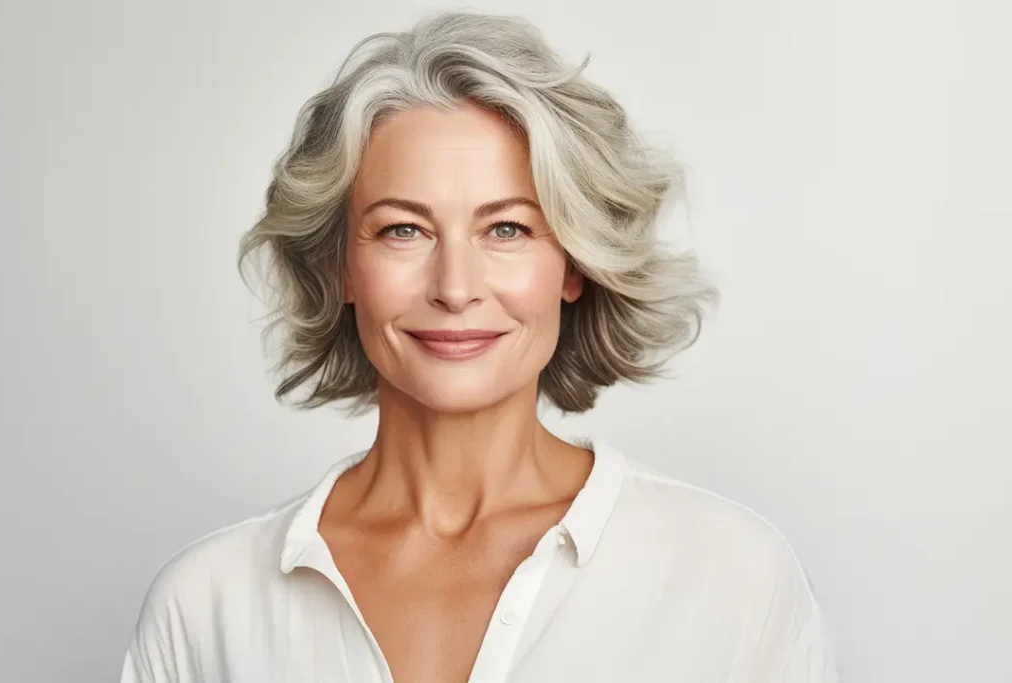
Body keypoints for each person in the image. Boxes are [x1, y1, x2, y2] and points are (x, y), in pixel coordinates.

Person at [120, 9, 838, 683]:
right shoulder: (208, 605)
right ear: (341, 265)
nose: (455, 287)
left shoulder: (731, 578)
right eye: (404, 229)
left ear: (574, 265)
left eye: (507, 229)